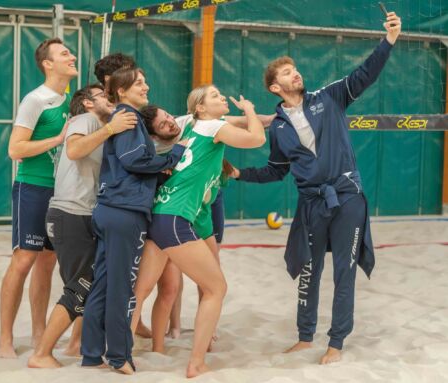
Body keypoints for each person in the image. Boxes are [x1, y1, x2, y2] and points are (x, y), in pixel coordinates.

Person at [229, 12, 402, 364]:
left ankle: (336, 342)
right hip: (312, 203)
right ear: (275, 87)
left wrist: (389, 40)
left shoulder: (330, 97)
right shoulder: (278, 127)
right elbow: (275, 171)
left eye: (295, 69)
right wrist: (237, 174)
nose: (296, 74)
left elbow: (365, 74)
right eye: (287, 73)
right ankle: (305, 336)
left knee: (344, 270)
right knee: (309, 269)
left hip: (347, 197)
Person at [146, 85, 266, 377]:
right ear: (199, 108)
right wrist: (249, 108)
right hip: (176, 219)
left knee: (142, 290)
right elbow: (256, 138)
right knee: (216, 287)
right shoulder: (212, 126)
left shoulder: (200, 127)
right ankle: (196, 362)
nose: (222, 97)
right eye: (215, 96)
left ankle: (128, 352)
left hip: (162, 214)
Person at [80, 67, 186, 374]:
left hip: (111, 209)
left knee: (103, 283)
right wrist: (174, 155)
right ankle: (118, 356)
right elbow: (134, 160)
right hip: (124, 212)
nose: (147, 86)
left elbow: (131, 162)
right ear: (122, 90)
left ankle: (90, 353)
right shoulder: (128, 119)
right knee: (122, 287)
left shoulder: (127, 119)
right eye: (139, 83)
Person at [27, 84, 137, 368]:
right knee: (80, 287)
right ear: (88, 103)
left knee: (90, 286)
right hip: (70, 214)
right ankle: (41, 354)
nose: (109, 100)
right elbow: (74, 150)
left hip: (84, 214)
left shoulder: (101, 127)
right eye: (102, 96)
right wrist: (110, 129)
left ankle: (80, 346)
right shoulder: (85, 120)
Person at [0, 38, 77, 358]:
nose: (71, 56)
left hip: (63, 191)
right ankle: (5, 338)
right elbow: (15, 149)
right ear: (48, 63)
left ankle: (39, 332)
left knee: (47, 261)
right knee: (24, 260)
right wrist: (58, 139)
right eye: (64, 54)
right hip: (33, 187)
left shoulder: (69, 99)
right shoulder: (36, 100)